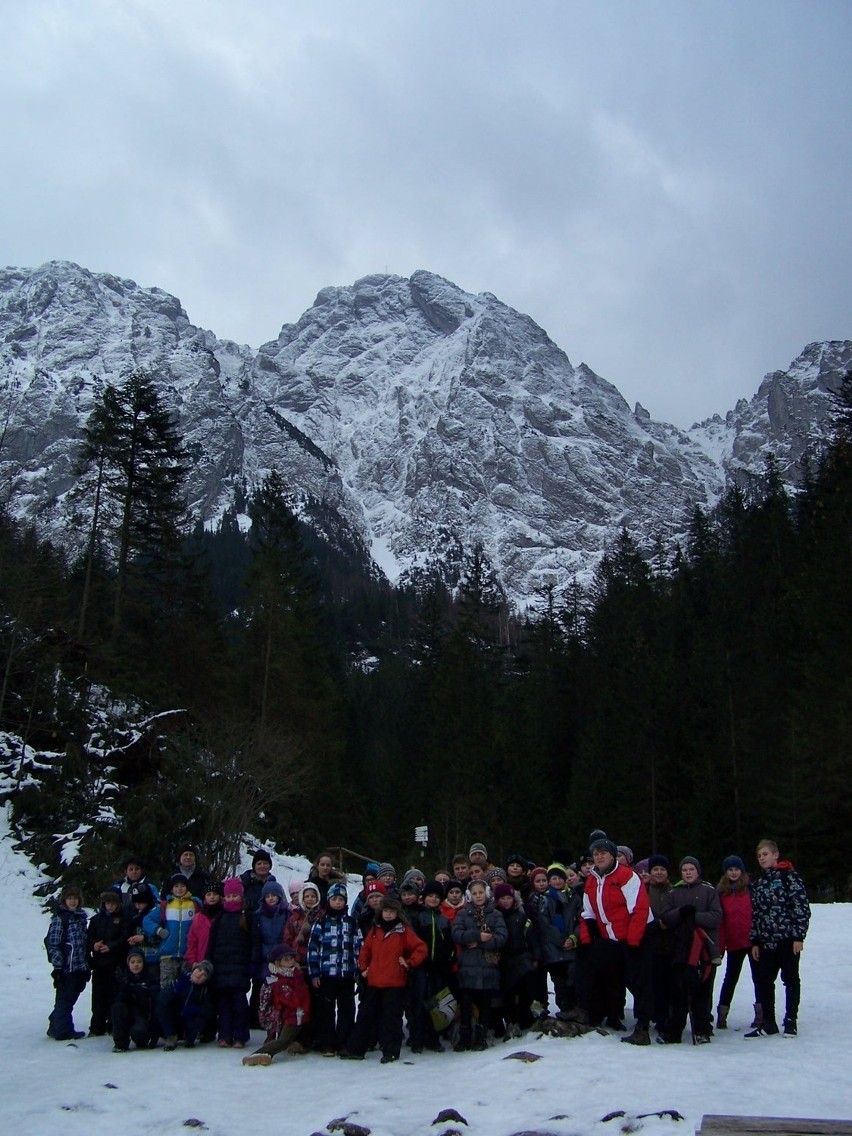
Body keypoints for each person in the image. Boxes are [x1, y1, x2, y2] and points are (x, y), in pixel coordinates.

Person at [565, 837, 653, 1045]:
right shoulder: (593, 880)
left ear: (612, 855)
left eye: (603, 853)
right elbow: (588, 912)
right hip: (610, 937)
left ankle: (643, 1027)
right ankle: (583, 1009)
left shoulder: (627, 876)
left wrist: (633, 942)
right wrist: (586, 938)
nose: (599, 856)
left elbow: (639, 910)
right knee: (587, 963)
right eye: (596, 854)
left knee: (639, 980)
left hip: (636, 934)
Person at [340, 895, 428, 1063]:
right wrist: (363, 968)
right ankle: (356, 1049)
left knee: (391, 1019)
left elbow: (421, 948)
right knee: (365, 1016)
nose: (388, 914)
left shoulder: (403, 931)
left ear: (398, 913)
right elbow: (365, 951)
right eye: (385, 911)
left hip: (395, 983)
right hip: (374, 981)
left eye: (392, 911)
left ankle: (391, 1051)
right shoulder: (375, 930)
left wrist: (409, 963)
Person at [746, 839, 810, 1039]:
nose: (762, 858)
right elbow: (755, 913)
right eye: (759, 856)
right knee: (764, 981)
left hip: (787, 939)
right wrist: (755, 940)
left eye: (765, 854)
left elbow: (801, 907)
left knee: (790, 979)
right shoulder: (758, 882)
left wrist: (798, 936)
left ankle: (791, 1020)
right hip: (766, 941)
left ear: (775, 855)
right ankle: (769, 1022)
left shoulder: (789, 877)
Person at [658, 856, 722, 1045]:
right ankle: (674, 1031)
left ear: (698, 871)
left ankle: (702, 1029)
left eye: (691, 870)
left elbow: (716, 917)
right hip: (680, 950)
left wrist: (696, 916)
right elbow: (665, 916)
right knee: (677, 991)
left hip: (704, 949)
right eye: (684, 870)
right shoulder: (674, 893)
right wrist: (680, 913)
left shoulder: (709, 891)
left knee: (701, 991)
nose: (688, 873)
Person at [451, 879, 508, 1051]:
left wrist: (482, 943)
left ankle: (481, 1037)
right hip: (468, 966)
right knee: (466, 1003)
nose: (478, 896)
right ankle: (464, 1036)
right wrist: (476, 935)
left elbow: (502, 937)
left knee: (485, 1004)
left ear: (487, 893)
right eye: (474, 893)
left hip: (488, 966)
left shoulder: (496, 914)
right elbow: (456, 934)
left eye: (481, 892)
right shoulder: (463, 914)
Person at [307, 880, 362, 1056]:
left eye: (341, 899)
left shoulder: (351, 922)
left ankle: (344, 1042)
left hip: (346, 974)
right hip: (326, 974)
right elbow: (312, 948)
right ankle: (327, 1043)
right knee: (326, 1010)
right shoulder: (321, 922)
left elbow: (359, 946)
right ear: (328, 900)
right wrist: (314, 973)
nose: (338, 902)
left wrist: (358, 970)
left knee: (347, 1009)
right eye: (334, 899)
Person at [243, 944, 312, 1065]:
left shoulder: (296, 975)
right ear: (278, 963)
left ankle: (298, 1045)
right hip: (291, 1016)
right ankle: (260, 1054)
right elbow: (293, 999)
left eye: (291, 958)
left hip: (301, 1014)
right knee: (283, 1040)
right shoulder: (277, 980)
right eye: (286, 960)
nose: (290, 962)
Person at [409, 880, 454, 1052]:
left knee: (435, 1003)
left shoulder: (443, 919)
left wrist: (448, 961)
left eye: (437, 897)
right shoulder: (418, 917)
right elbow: (412, 942)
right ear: (424, 898)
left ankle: (433, 1037)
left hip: (438, 968)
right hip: (421, 967)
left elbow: (449, 944)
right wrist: (417, 961)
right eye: (431, 896)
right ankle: (417, 1038)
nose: (434, 900)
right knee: (419, 1002)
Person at [207, 878, 252, 1048]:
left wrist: (252, 962)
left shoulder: (247, 916)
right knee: (223, 1003)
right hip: (221, 966)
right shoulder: (220, 917)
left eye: (235, 896)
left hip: (240, 966)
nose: (232, 899)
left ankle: (240, 1036)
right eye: (229, 896)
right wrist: (209, 960)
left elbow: (254, 940)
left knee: (239, 1003)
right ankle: (225, 1034)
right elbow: (212, 941)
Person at [715, 855, 756, 1029]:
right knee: (730, 978)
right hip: (733, 943)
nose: (733, 873)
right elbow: (721, 922)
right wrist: (721, 946)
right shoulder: (721, 893)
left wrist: (758, 939)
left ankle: (761, 1014)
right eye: (730, 870)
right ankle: (722, 1014)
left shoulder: (750, 889)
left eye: (736, 869)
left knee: (759, 978)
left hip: (752, 941)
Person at [45, 884, 90, 1040]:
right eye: (69, 898)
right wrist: (58, 966)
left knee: (70, 998)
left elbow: (84, 942)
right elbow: (54, 944)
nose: (72, 901)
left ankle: (55, 1023)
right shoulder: (60, 919)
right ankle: (63, 1030)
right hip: (66, 968)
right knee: (65, 998)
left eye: (75, 898)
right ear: (64, 900)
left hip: (80, 966)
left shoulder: (81, 918)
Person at [493, 882, 535, 1035]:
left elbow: (530, 935)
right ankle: (511, 1021)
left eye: (508, 898)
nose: (505, 901)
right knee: (507, 993)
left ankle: (525, 1017)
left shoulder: (521, 914)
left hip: (521, 955)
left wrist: (534, 954)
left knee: (526, 989)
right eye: (502, 898)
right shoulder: (495, 915)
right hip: (503, 959)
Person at [144, 873, 201, 987]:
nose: (179, 889)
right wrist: (158, 930)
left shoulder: (194, 904)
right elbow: (147, 920)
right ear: (171, 889)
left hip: (187, 955)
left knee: (186, 988)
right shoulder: (166, 905)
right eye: (176, 886)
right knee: (167, 989)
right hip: (168, 955)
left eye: (182, 886)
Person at [87, 889, 131, 1035]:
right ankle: (96, 1026)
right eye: (108, 904)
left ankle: (113, 1025)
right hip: (99, 963)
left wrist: (111, 946)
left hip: (116, 962)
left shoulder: (123, 919)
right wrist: (94, 944)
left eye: (113, 904)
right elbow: (89, 937)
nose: (110, 906)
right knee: (98, 996)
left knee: (115, 994)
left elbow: (125, 937)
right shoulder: (96, 919)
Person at [157, 961, 215, 1049]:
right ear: (194, 969)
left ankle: (189, 1036)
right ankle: (171, 1036)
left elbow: (206, 1011)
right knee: (162, 1007)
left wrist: (194, 1009)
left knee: (197, 1021)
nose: (199, 974)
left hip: (189, 1021)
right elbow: (162, 999)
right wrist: (175, 989)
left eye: (204, 975)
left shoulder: (204, 991)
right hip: (174, 1018)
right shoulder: (182, 979)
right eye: (199, 970)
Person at [111, 947, 159, 1051]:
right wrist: (124, 987)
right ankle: (120, 1044)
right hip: (128, 1014)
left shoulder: (150, 978)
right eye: (132, 962)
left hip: (143, 1017)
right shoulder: (123, 977)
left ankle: (142, 1038)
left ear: (143, 963)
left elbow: (151, 1003)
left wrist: (132, 988)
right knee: (117, 1008)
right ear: (128, 964)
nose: (136, 965)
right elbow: (118, 1001)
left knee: (139, 1033)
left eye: (139, 962)